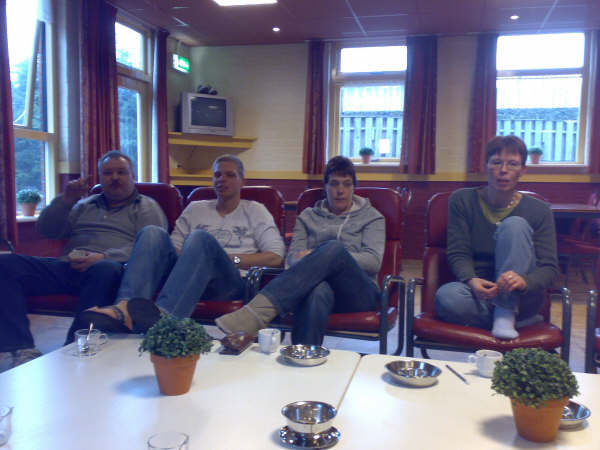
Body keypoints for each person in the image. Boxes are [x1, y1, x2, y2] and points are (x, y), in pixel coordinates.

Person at [73, 154, 285, 333]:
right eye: (217, 175)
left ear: (242, 181)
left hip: (228, 283)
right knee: (152, 232)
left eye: (230, 175)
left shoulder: (255, 210)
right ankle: (125, 308)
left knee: (200, 238)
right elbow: (172, 249)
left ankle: (165, 319)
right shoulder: (195, 208)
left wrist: (229, 259)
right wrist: (196, 258)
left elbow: (276, 257)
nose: (222, 180)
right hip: (187, 276)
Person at [0, 151, 167, 367]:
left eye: (121, 172)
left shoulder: (146, 206)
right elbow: (47, 230)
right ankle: (19, 348)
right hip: (68, 265)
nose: (115, 177)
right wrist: (65, 201)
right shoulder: (84, 205)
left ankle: (75, 344)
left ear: (132, 176)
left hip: (112, 269)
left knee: (105, 269)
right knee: (6, 264)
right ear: (100, 178)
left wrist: (104, 256)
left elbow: (152, 246)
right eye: (108, 173)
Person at [215, 156, 384, 345]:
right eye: (334, 184)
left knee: (334, 249)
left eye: (347, 184)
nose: (340, 191)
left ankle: (257, 312)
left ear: (354, 187)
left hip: (359, 294)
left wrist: (325, 256)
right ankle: (303, 355)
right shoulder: (308, 216)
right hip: (317, 287)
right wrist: (312, 260)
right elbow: (291, 259)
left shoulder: (371, 217)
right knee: (317, 290)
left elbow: (373, 261)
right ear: (325, 187)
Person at [434, 135, 559, 340]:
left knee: (515, 225)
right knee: (446, 297)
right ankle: (512, 319)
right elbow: (458, 252)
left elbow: (549, 269)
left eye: (512, 164)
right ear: (485, 166)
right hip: (480, 293)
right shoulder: (461, 200)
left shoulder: (540, 210)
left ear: (523, 170)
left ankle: (506, 312)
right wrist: (471, 279)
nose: (503, 170)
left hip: (522, 296)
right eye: (496, 162)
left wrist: (524, 281)